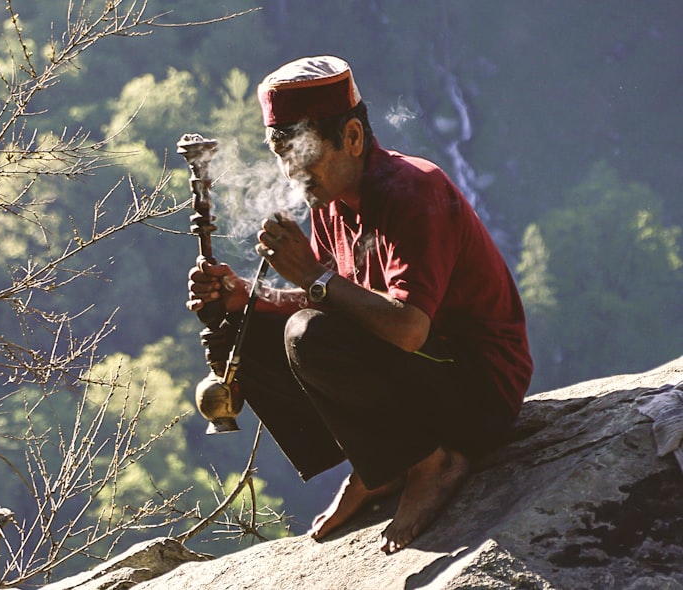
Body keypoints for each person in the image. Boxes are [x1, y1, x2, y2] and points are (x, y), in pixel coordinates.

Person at [186, 55, 533, 554]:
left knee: (309, 335)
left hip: (477, 390)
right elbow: (330, 296)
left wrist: (308, 272)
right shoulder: (330, 199)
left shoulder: (414, 190)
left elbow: (409, 328)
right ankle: (383, 464)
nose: (291, 172)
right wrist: (248, 296)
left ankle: (433, 464)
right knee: (251, 326)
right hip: (420, 376)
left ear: (351, 138)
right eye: (281, 154)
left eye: (303, 153)